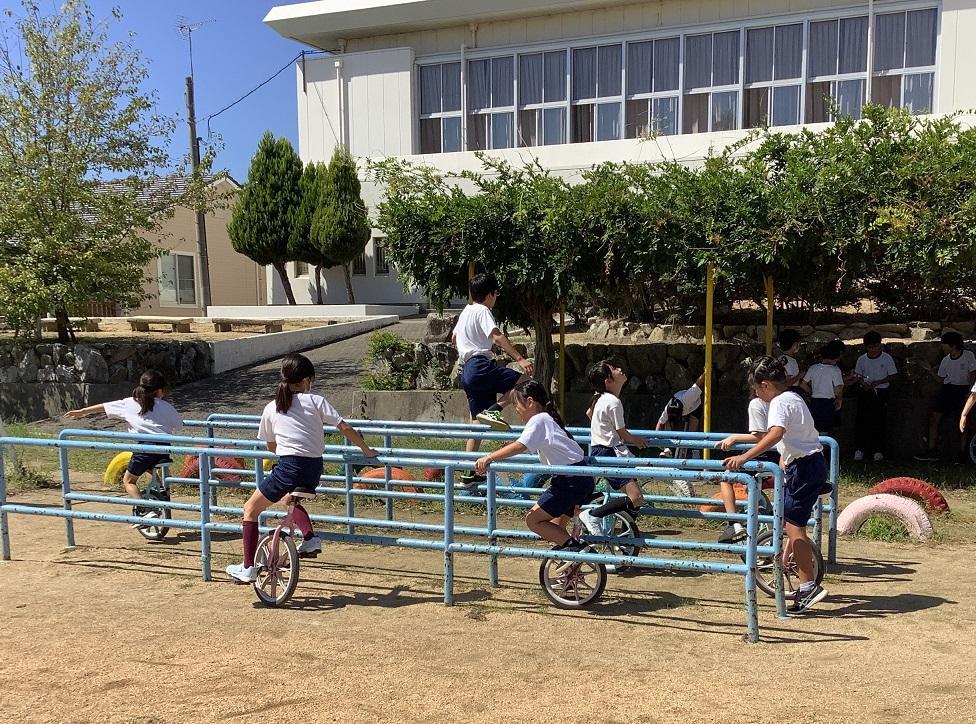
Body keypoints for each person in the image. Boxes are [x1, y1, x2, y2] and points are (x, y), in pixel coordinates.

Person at [225, 353, 378, 583]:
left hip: (289, 467)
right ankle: (310, 538)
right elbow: (344, 427)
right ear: (307, 380)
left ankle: (247, 567)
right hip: (314, 469)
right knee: (288, 498)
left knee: (250, 509)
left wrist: (287, 449)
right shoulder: (316, 401)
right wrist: (366, 450)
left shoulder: (272, 407)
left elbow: (270, 445)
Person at [723, 356, 829, 613]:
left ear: (766, 385)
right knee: (791, 525)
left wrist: (744, 457)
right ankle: (800, 574)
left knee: (795, 529)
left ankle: (808, 586)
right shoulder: (794, 397)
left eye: (757, 389)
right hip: (809, 464)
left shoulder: (779, 402)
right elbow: (793, 437)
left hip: (805, 468)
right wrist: (785, 460)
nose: (756, 394)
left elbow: (775, 434)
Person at [474, 379, 593, 550]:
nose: (516, 410)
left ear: (530, 401)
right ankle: (575, 557)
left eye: (516, 405)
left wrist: (489, 457)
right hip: (577, 478)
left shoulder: (539, 419)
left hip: (570, 481)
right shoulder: (547, 419)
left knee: (533, 520)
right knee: (555, 529)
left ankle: (581, 551)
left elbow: (520, 445)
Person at [64, 370, 181, 523]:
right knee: (148, 467)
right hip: (164, 449)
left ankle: (144, 510)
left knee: (128, 481)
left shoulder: (130, 403)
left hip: (145, 448)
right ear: (159, 390)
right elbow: (179, 424)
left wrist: (82, 411)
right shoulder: (166, 406)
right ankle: (159, 489)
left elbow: (105, 406)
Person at [453, 272, 534, 483]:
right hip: (480, 364)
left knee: (476, 422)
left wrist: (469, 344)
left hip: (467, 369)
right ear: (490, 294)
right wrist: (520, 358)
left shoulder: (466, 311)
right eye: (496, 294)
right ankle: (494, 410)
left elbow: (454, 337)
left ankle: (469, 473)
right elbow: (497, 336)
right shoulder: (483, 310)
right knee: (525, 382)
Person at [578, 360, 648, 536]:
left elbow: (589, 413)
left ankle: (627, 535)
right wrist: (638, 441)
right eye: (614, 369)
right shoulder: (613, 402)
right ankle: (593, 515)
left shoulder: (600, 399)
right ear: (608, 381)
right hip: (609, 451)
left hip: (604, 450)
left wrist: (601, 429)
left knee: (636, 498)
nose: (620, 369)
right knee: (636, 497)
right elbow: (622, 432)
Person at [716, 384, 777, 544]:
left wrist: (734, 437)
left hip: (761, 456)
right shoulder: (781, 400)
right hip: (778, 456)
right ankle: (768, 514)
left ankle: (733, 523)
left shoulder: (757, 403)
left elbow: (761, 436)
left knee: (726, 477)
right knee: (752, 485)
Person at [916, 331, 976, 462]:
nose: (942, 346)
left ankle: (962, 453)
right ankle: (932, 450)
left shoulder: (968, 356)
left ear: (953, 345)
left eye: (944, 343)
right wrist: (930, 370)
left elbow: (973, 374)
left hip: (963, 390)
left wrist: (970, 391)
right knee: (934, 418)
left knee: (963, 421)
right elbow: (941, 379)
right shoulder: (945, 360)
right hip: (948, 390)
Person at [852, 331, 898, 462]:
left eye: (876, 346)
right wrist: (864, 384)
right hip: (866, 392)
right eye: (870, 347)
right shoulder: (862, 359)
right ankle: (860, 449)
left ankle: (878, 450)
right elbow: (858, 375)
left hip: (882, 392)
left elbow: (893, 375)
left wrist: (878, 382)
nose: (873, 349)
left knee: (880, 421)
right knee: (862, 421)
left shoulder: (887, 358)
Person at [655, 372, 705, 458]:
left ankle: (694, 450)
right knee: (667, 423)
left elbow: (698, 383)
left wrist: (706, 371)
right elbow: (660, 423)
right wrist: (657, 439)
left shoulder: (688, 399)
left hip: (695, 406)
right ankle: (667, 449)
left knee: (693, 425)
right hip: (680, 405)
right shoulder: (667, 410)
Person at [801, 339, 845, 434]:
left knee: (815, 430)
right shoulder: (835, 370)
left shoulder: (813, 368)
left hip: (814, 402)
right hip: (828, 403)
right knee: (825, 430)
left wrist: (811, 391)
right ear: (836, 357)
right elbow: (838, 388)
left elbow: (803, 384)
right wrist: (839, 399)